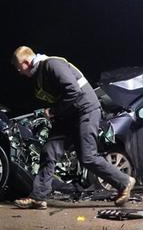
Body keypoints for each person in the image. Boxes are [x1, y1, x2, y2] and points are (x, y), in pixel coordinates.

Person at [11, 46, 135, 210]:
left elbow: (73, 91)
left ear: (26, 62)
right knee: (49, 150)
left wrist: (54, 111)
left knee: (88, 157)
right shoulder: (41, 73)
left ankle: (124, 181)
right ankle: (38, 197)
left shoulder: (52, 64)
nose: (20, 73)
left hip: (86, 111)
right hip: (69, 116)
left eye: (20, 69)